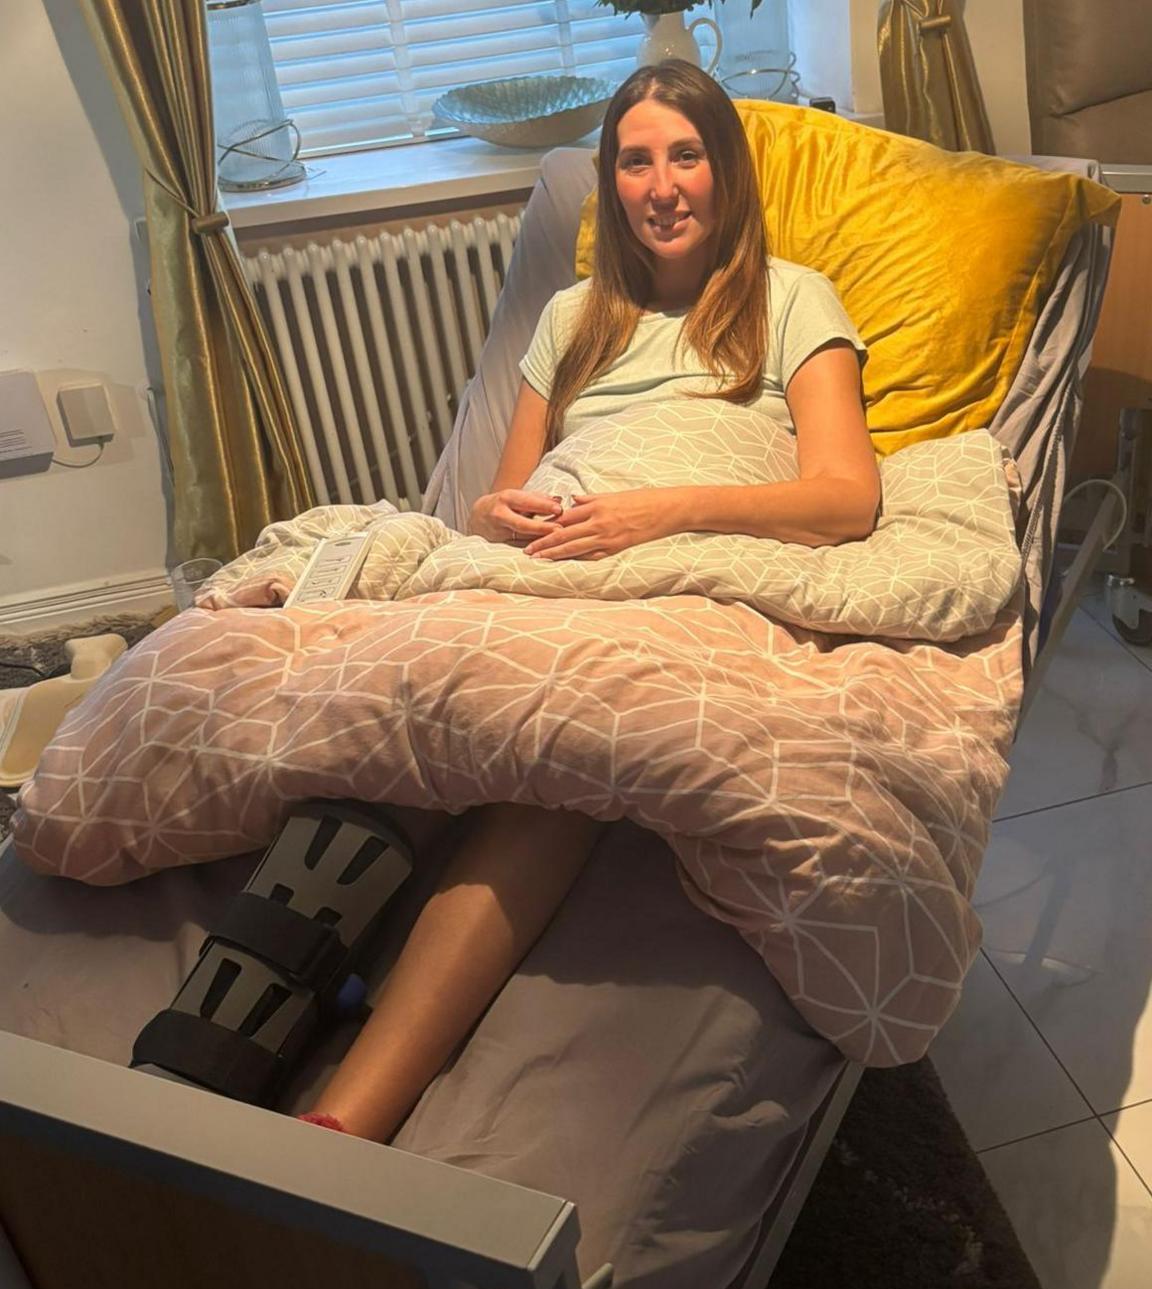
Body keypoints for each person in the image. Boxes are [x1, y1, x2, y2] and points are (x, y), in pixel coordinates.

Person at [301, 60, 880, 1142]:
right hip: (553, 557)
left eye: (687, 155)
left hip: (677, 555)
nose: (662, 185)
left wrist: (654, 513)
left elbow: (847, 497)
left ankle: (349, 1114)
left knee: (551, 754)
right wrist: (508, 523)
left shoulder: (791, 296)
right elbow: (499, 497)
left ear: (728, 172)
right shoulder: (573, 315)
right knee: (397, 699)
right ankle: (243, 1015)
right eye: (636, 160)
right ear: (610, 182)